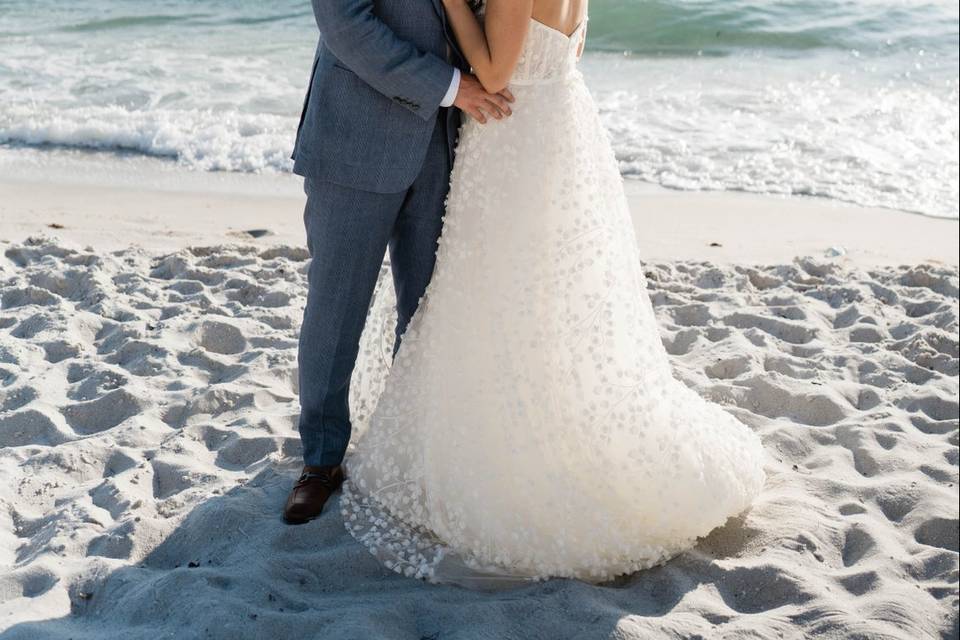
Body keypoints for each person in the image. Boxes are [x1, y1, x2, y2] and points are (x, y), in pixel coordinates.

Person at [339, 0, 766, 587]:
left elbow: (492, 75)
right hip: (556, 129)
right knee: (549, 306)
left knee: (513, 300)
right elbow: (569, 49)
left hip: (516, 143)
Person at [282, 0, 514, 524]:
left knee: (429, 312)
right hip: (356, 133)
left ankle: (409, 447)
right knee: (336, 308)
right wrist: (452, 87)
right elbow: (344, 23)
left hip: (450, 141)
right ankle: (320, 461)